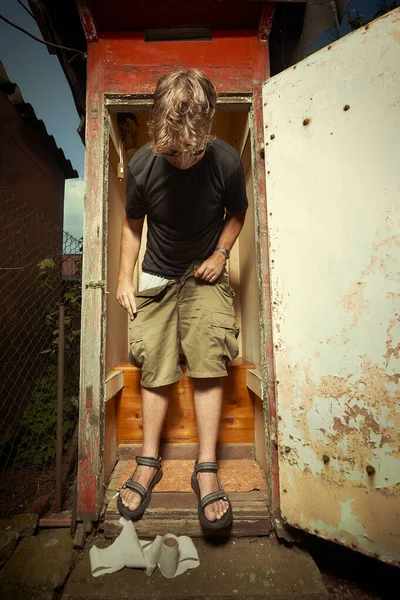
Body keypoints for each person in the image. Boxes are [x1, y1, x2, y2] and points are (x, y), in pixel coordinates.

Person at [116, 69, 248, 529]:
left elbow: (238, 214)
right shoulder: (140, 167)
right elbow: (133, 225)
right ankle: (148, 461)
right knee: (154, 360)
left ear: (206, 135)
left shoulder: (227, 162)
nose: (184, 161)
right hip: (156, 272)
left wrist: (221, 251)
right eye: (173, 151)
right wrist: (124, 277)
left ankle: (205, 469)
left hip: (204, 273)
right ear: (158, 135)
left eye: (192, 151)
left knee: (211, 359)